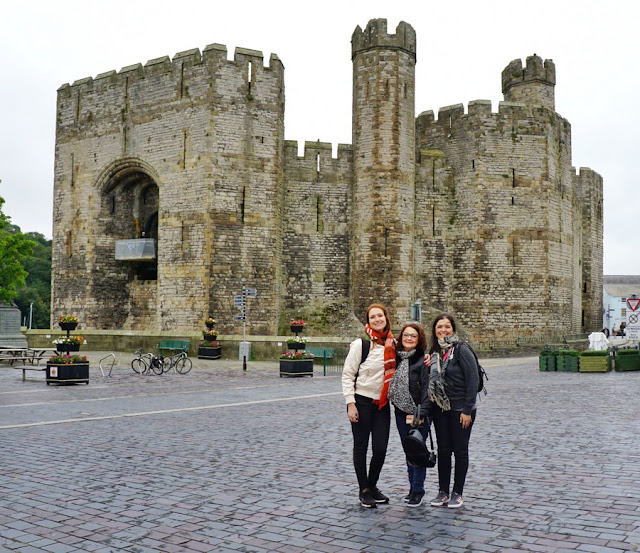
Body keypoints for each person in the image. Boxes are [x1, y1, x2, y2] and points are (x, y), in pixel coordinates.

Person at [342, 303, 396, 508]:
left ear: (385, 317)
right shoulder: (361, 344)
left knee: (380, 448)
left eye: (380, 315)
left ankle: (372, 485)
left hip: (382, 403)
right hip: (362, 402)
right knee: (361, 447)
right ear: (368, 321)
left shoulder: (392, 344)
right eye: (372, 317)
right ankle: (363, 489)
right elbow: (347, 375)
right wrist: (350, 404)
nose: (377, 319)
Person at [426, 313, 478, 509]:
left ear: (453, 329)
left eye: (447, 327)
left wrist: (467, 410)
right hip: (442, 410)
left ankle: (458, 492)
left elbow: (472, 381)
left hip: (460, 410)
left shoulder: (461, 349)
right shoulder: (436, 352)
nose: (443, 330)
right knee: (444, 451)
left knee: (460, 450)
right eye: (439, 327)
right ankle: (443, 492)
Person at [387, 322, 430, 507]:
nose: (409, 339)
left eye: (413, 336)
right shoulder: (396, 359)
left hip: (419, 414)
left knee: (417, 452)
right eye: (406, 335)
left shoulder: (423, 360)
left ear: (419, 339)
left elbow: (427, 391)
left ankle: (418, 490)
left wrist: (421, 413)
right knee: (408, 451)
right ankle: (412, 488)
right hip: (400, 412)